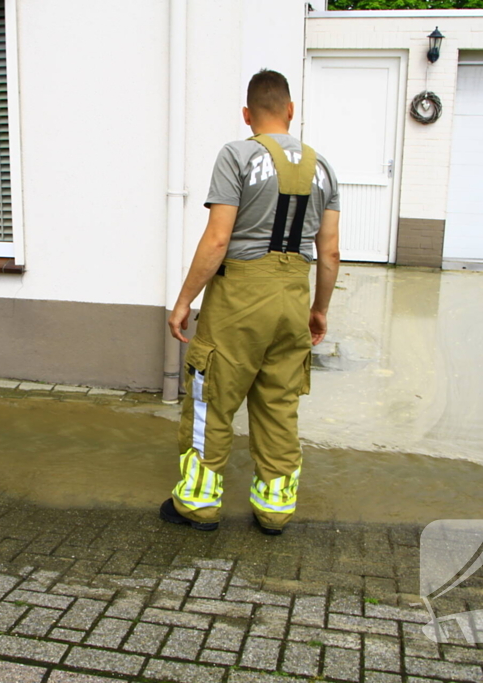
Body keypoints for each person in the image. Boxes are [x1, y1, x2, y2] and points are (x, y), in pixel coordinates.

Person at [160, 69, 340, 535]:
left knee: (212, 398)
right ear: (290, 110)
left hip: (240, 297)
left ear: (247, 115)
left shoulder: (236, 155)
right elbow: (331, 252)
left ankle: (197, 505)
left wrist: (184, 301)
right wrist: (318, 309)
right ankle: (274, 510)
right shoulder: (324, 168)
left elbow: (218, 239)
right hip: (293, 295)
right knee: (279, 403)